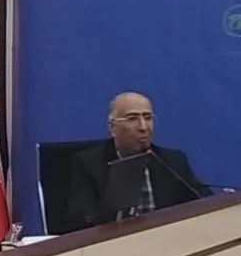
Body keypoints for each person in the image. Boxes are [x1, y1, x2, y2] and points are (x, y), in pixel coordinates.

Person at [68, 92, 209, 229]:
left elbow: (204, 202)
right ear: (112, 127)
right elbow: (82, 218)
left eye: (148, 118)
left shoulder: (173, 161)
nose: (143, 127)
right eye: (132, 119)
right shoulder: (88, 163)